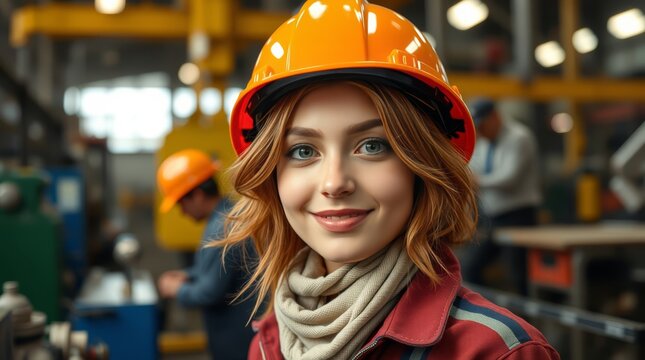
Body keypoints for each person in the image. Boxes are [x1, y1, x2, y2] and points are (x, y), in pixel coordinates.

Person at [220, 1, 558, 359]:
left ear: (423, 165)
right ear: (270, 174)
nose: (334, 183)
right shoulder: (269, 342)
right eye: (303, 151)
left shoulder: (498, 353)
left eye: (372, 145)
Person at [156, 149, 256, 360]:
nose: (182, 212)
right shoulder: (228, 213)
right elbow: (223, 269)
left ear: (198, 195)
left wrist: (176, 288)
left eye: (181, 204)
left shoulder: (221, 230)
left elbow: (210, 293)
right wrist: (189, 275)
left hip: (236, 341)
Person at [462, 98, 541, 296]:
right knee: (471, 267)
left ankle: (526, 321)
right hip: (493, 217)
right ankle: (491, 312)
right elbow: (472, 169)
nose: (480, 132)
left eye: (482, 125)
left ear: (495, 117)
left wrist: (477, 181)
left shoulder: (519, 137)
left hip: (518, 216)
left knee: (519, 275)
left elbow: (509, 178)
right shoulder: (486, 141)